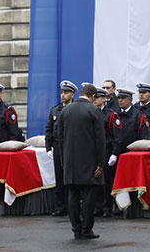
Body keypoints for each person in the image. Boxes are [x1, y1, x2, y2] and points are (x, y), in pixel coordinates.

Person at [55, 84, 106, 240]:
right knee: (89, 196)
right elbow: (100, 139)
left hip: (70, 162)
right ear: (92, 96)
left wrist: (64, 162)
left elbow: (60, 139)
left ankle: (76, 228)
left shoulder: (65, 111)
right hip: (89, 162)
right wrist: (101, 163)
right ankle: (86, 229)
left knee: (73, 196)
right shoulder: (94, 110)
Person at [45, 80, 77, 217]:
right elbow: (49, 130)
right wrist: (48, 147)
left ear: (73, 94)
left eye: (66, 92)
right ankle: (60, 206)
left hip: (72, 146)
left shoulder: (76, 108)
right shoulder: (55, 109)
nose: (63, 95)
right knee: (59, 177)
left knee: (71, 177)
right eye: (62, 92)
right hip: (58, 145)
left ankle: (73, 206)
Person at [93, 86, 122, 218]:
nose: (95, 100)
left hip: (107, 149)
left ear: (104, 99)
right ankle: (97, 206)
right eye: (94, 97)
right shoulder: (92, 112)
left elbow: (116, 136)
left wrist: (115, 153)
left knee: (106, 181)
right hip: (94, 150)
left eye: (98, 97)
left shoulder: (111, 115)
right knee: (95, 180)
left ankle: (107, 207)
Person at [0, 83, 24, 163]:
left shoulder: (7, 110)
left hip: (2, 146)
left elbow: (13, 131)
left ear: (0, 94)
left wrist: (11, 148)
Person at [109, 89, 150, 163]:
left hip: (132, 154)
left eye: (123, 98)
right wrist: (113, 153)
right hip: (115, 154)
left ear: (130, 100)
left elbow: (144, 137)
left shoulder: (138, 116)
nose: (120, 100)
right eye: (119, 98)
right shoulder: (114, 114)